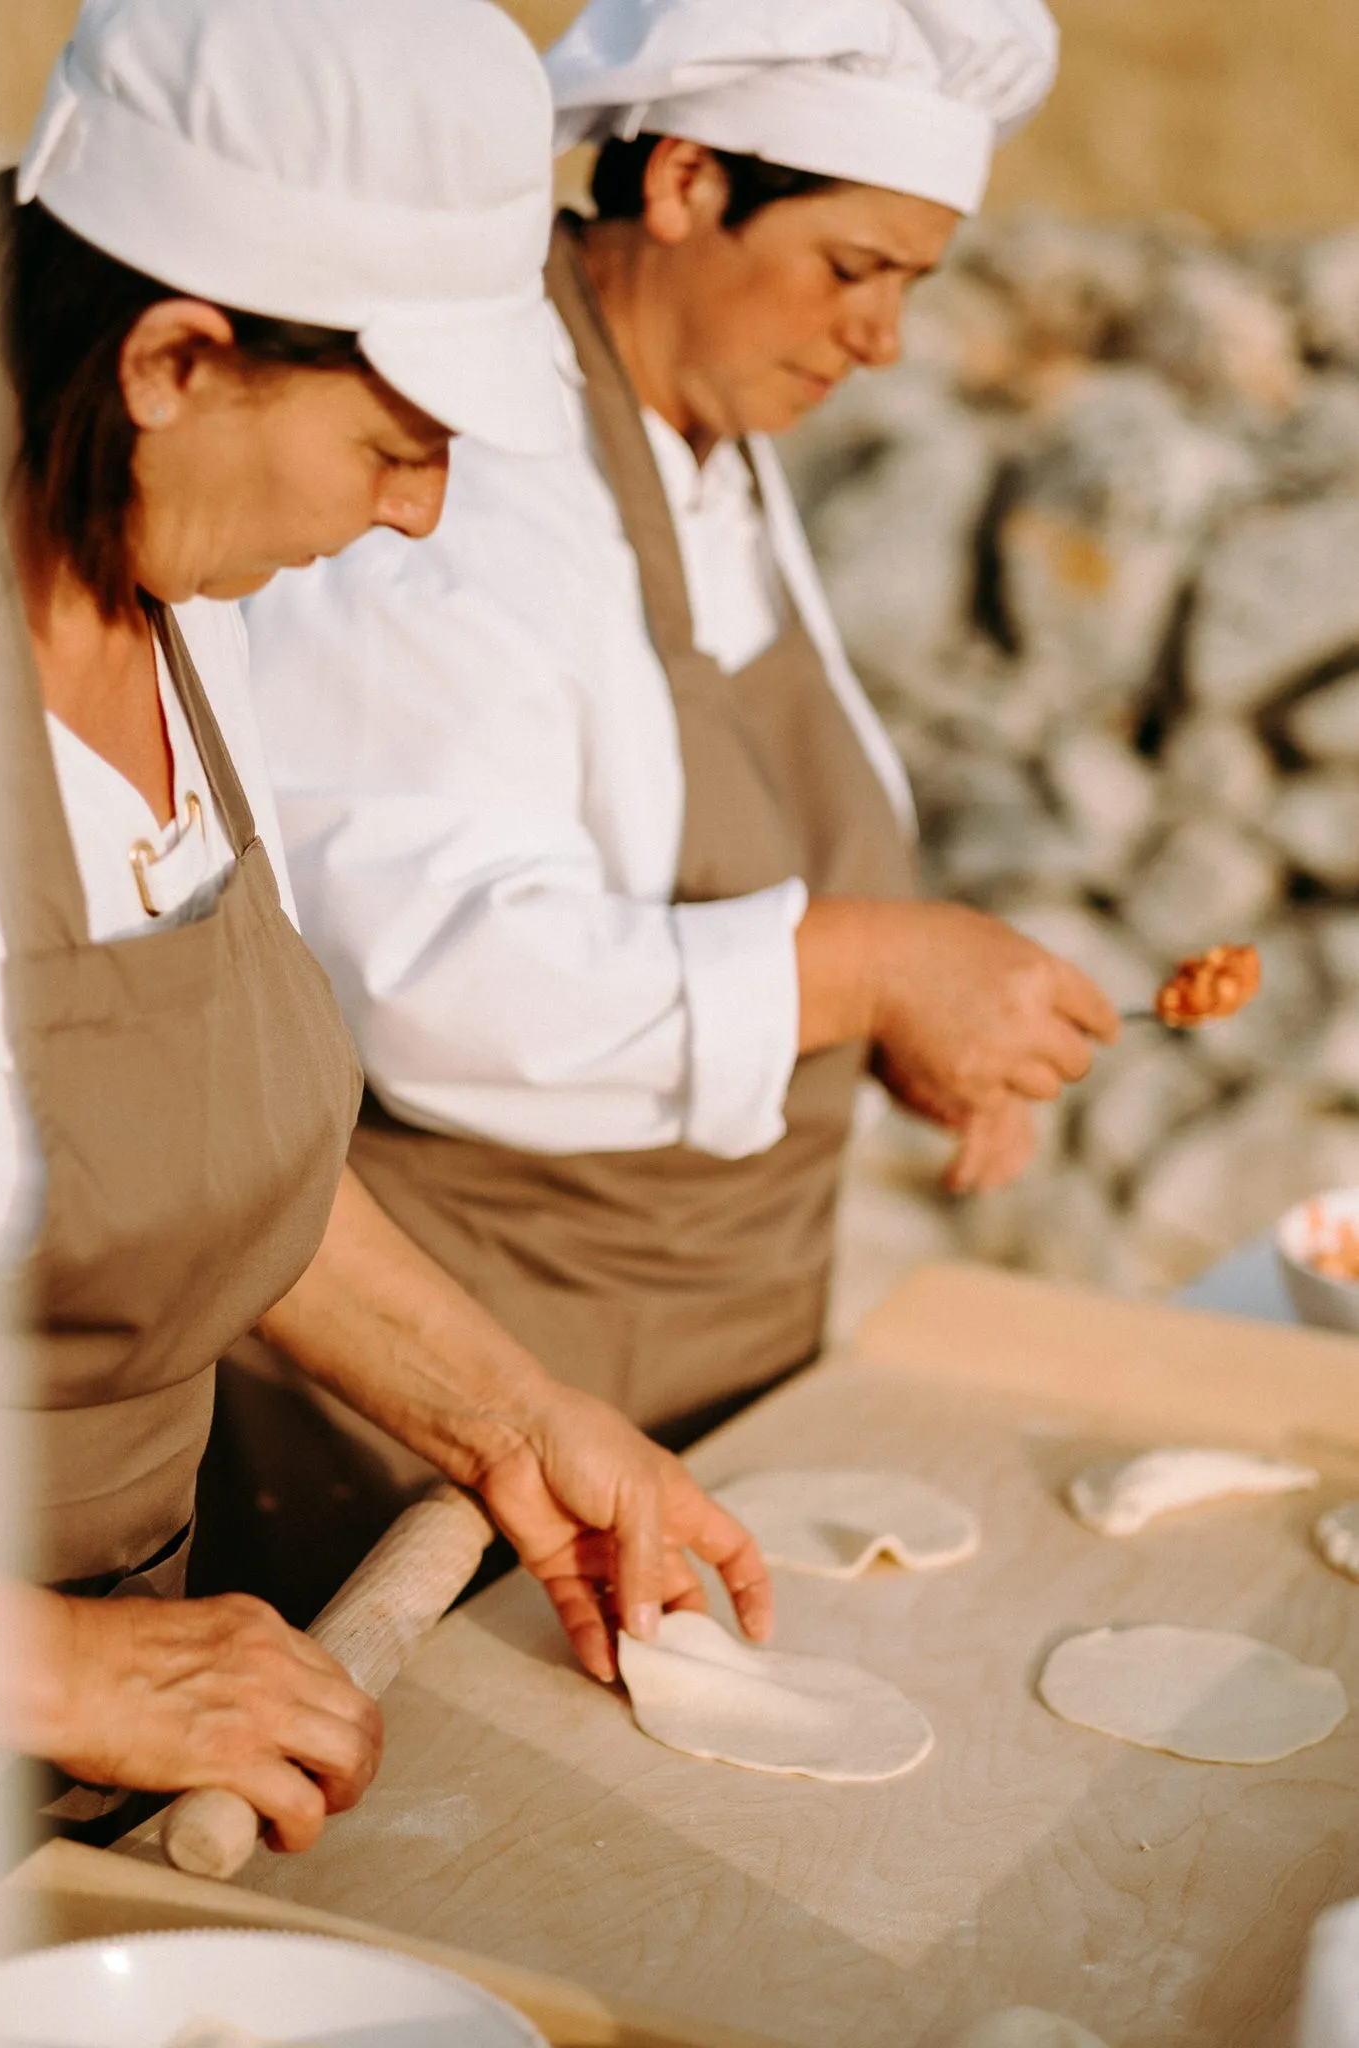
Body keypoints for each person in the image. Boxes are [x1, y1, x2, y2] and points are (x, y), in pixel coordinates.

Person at [0, 0, 771, 1854]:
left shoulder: (175, 597)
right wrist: (65, 1672)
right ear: (178, 358)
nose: (422, 518)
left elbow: (188, 1141)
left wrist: (508, 1421)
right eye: (396, 444)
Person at [246, 0, 1122, 1447]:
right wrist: (870, 970)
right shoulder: (466, 474)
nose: (885, 338)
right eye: (852, 268)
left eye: (911, 282)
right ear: (686, 183)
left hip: (706, 1359)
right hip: (468, 1397)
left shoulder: (706, 433)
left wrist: (903, 1017)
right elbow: (430, 977)